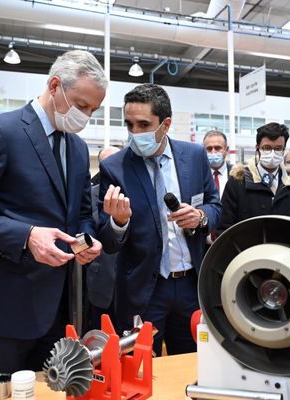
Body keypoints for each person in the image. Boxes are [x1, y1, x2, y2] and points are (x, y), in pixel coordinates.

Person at [0, 50, 105, 377]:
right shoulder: (0, 132)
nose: (85, 116)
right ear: (55, 85)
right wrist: (26, 236)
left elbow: (82, 212)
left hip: (61, 308)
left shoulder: (77, 147)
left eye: (93, 110)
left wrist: (88, 239)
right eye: (81, 105)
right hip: (5, 307)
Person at [98, 83, 222, 356]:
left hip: (192, 286)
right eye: (129, 125)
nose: (135, 133)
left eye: (144, 124)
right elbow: (107, 241)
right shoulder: (114, 167)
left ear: (165, 124)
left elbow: (215, 206)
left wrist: (200, 217)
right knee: (140, 367)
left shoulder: (194, 155)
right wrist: (118, 222)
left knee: (192, 363)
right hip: (145, 290)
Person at [216, 123, 290, 236]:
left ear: (283, 150)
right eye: (267, 148)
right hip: (249, 252)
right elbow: (224, 228)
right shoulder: (238, 182)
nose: (272, 153)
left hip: (286, 251)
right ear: (257, 148)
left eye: (278, 149)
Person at [87, 146, 120, 330]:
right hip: (102, 283)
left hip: (136, 284)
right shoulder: (90, 195)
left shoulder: (139, 192)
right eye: (106, 164)